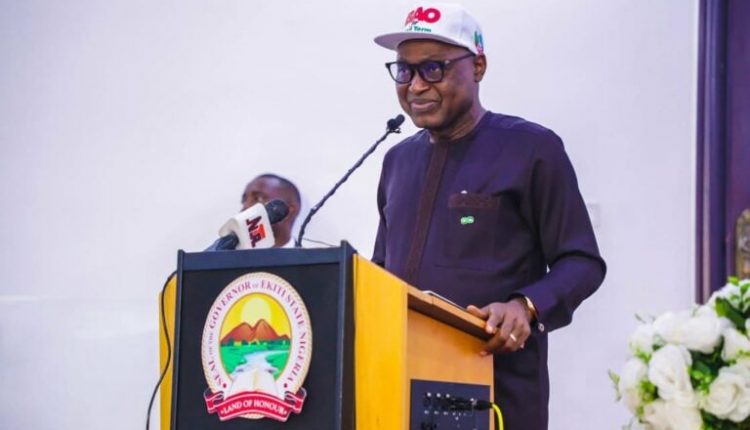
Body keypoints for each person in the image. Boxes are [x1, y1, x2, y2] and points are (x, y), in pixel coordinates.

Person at [371, 4, 606, 429]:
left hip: (496, 392)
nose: (416, 85)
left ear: (478, 66)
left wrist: (526, 306)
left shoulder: (531, 150)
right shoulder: (396, 161)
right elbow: (383, 269)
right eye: (404, 71)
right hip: (398, 388)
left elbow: (581, 261)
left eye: (434, 68)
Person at [239, 174, 301, 248]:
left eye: (258, 199)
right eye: (244, 200)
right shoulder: (230, 253)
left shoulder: (310, 255)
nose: (245, 207)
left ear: (289, 211)